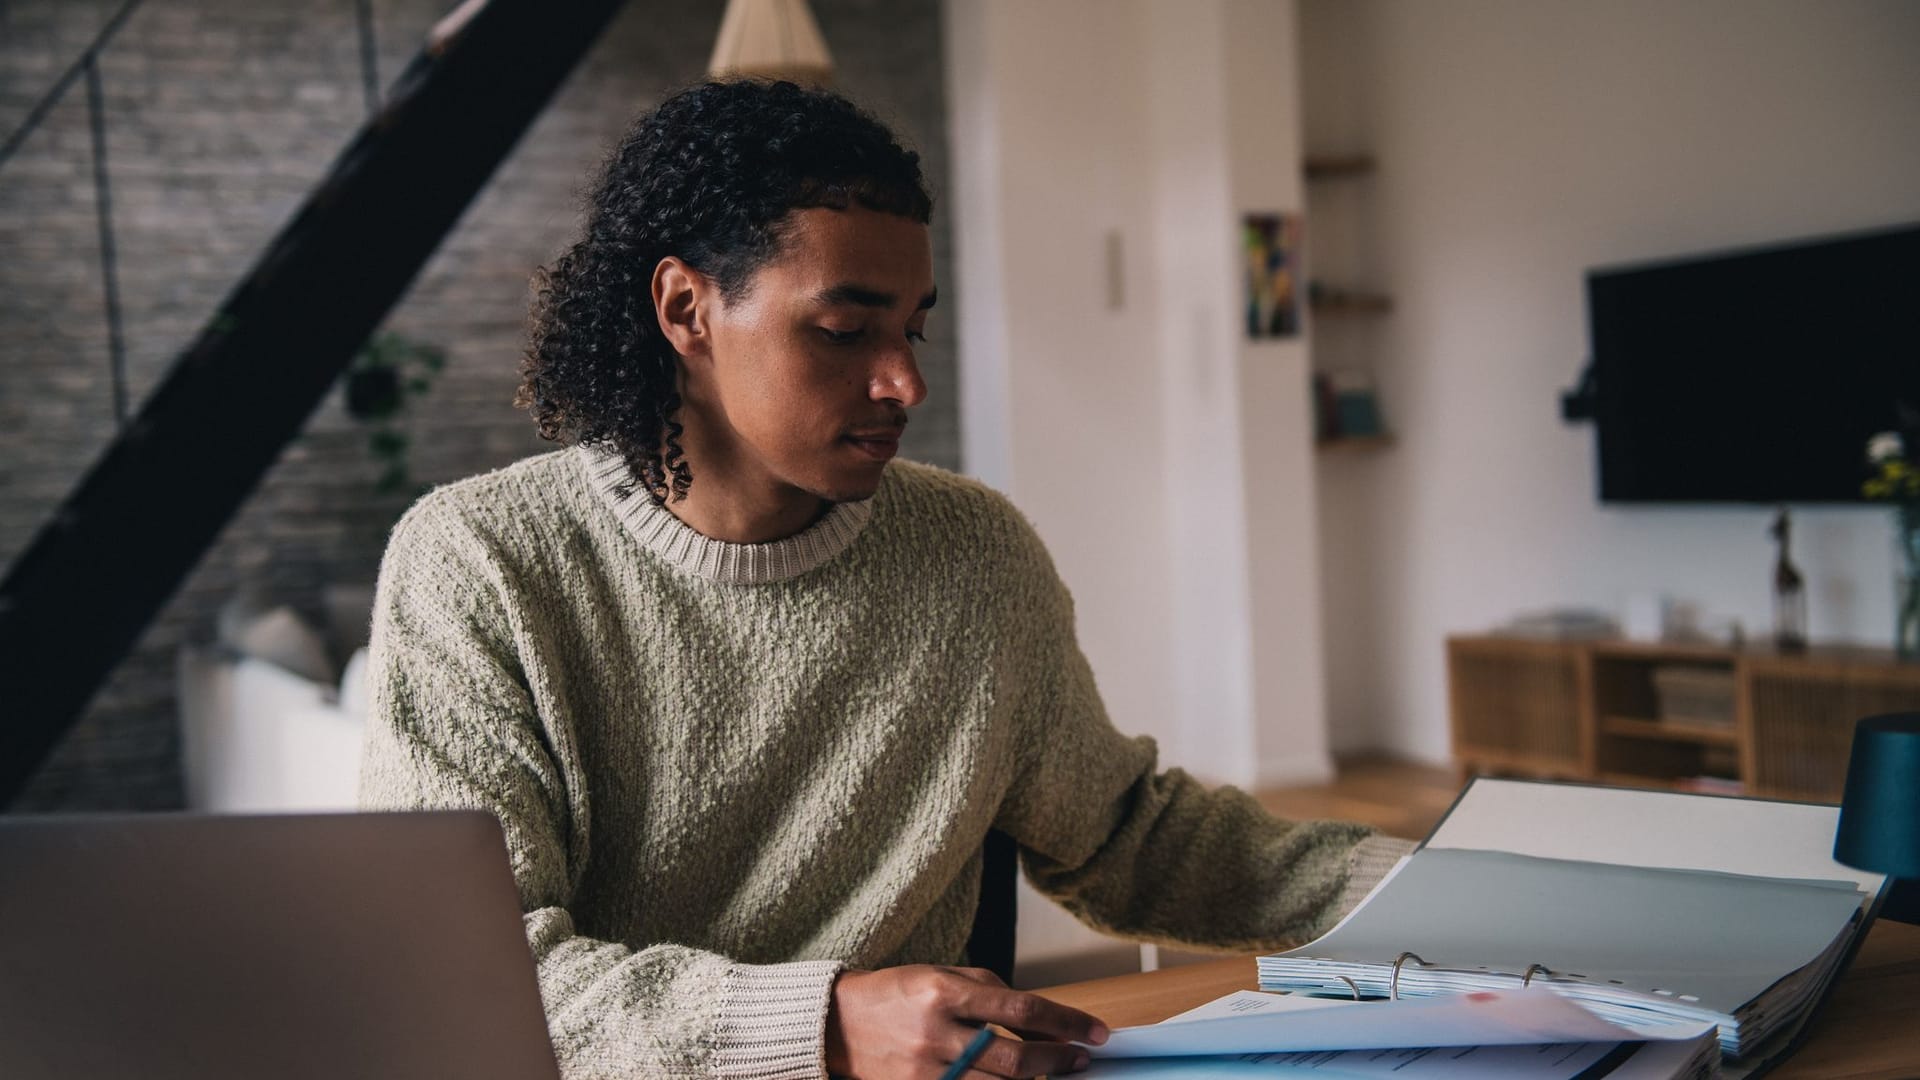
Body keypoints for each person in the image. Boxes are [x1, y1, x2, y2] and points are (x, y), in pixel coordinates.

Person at [359, 79, 1412, 1080]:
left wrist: (1436, 891)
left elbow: (1129, 838)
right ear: (687, 310)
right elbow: (466, 976)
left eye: (912, 327)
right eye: (843, 328)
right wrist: (822, 1028)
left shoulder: (974, 552)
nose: (903, 380)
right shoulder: (480, 562)